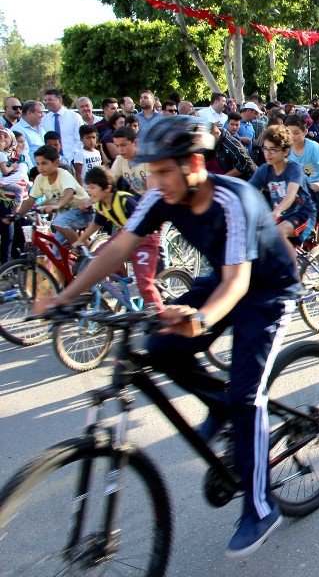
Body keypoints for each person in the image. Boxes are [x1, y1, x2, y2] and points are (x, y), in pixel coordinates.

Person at [34, 115, 297, 556]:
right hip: (223, 279)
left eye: (163, 171)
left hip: (267, 289)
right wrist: (65, 297)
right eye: (151, 172)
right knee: (161, 347)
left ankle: (261, 505)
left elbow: (238, 283)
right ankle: (222, 405)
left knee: (247, 396)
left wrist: (199, 320)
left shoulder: (235, 200)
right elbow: (120, 245)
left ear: (194, 163)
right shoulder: (162, 194)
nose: (155, 181)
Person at [72, 165, 163, 311]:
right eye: (89, 187)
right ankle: (122, 285)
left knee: (144, 283)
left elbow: (147, 222)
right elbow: (96, 224)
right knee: (95, 260)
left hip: (145, 239)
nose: (89, 191)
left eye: (93, 187)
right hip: (125, 236)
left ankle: (159, 316)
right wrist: (81, 240)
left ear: (107, 188)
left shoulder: (124, 200)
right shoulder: (101, 204)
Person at [248, 126, 317, 253]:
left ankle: (292, 272)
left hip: (302, 213)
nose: (267, 154)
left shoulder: (294, 169)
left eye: (273, 149)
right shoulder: (264, 170)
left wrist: (277, 210)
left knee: (278, 233)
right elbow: (247, 191)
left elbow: (290, 196)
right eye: (265, 149)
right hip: (280, 216)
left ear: (285, 151)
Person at [16, 145, 93, 245]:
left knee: (58, 222)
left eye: (44, 163)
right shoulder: (40, 178)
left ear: (56, 163)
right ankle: (84, 252)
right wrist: (17, 215)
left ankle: (82, 252)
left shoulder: (63, 174)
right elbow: (30, 200)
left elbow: (69, 193)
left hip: (83, 210)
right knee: (57, 251)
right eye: (38, 164)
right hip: (64, 215)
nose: (40, 167)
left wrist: (56, 206)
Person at [285, 114, 319, 243]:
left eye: (296, 133)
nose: (292, 136)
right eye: (289, 133)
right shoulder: (287, 149)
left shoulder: (312, 146)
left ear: (305, 132)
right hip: (304, 183)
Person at [41, 88, 84, 161]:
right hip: (52, 161)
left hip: (74, 159)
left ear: (60, 100)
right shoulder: (44, 119)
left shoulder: (74, 117)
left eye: (50, 99)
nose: (47, 102)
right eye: (45, 100)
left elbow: (80, 140)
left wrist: (67, 158)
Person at [110, 127, 149, 196]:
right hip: (137, 197)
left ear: (134, 142)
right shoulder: (120, 159)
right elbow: (110, 181)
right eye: (117, 146)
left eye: (123, 145)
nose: (120, 150)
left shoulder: (147, 158)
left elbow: (153, 190)